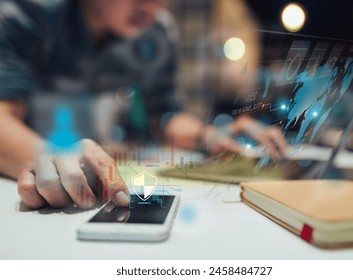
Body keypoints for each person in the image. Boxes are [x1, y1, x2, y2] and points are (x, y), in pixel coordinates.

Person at [0, 0, 287, 210]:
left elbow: (165, 116)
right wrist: (50, 156)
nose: (153, 4)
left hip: (97, 183)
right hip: (22, 187)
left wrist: (209, 135)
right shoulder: (29, 12)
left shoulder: (157, 32)